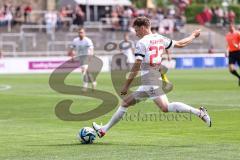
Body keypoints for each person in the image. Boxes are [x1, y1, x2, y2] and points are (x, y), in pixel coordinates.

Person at [92, 16, 211, 138]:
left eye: (137, 30)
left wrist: (126, 86)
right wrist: (193, 36)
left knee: (164, 107)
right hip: (153, 78)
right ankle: (103, 129)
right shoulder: (160, 38)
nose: (136, 33)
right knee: (126, 103)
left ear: (143, 28)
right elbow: (181, 43)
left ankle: (199, 112)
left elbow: (136, 66)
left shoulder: (142, 42)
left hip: (150, 80)